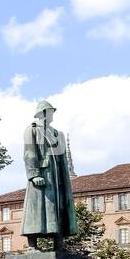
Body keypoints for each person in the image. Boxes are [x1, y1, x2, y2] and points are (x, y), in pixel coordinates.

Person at [20, 100, 78, 250]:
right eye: (50, 111)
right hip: (42, 174)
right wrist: (34, 175)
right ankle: (32, 245)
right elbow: (29, 153)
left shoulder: (56, 133)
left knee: (58, 208)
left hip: (57, 176)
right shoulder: (32, 130)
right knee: (36, 210)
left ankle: (58, 244)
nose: (52, 114)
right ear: (42, 113)